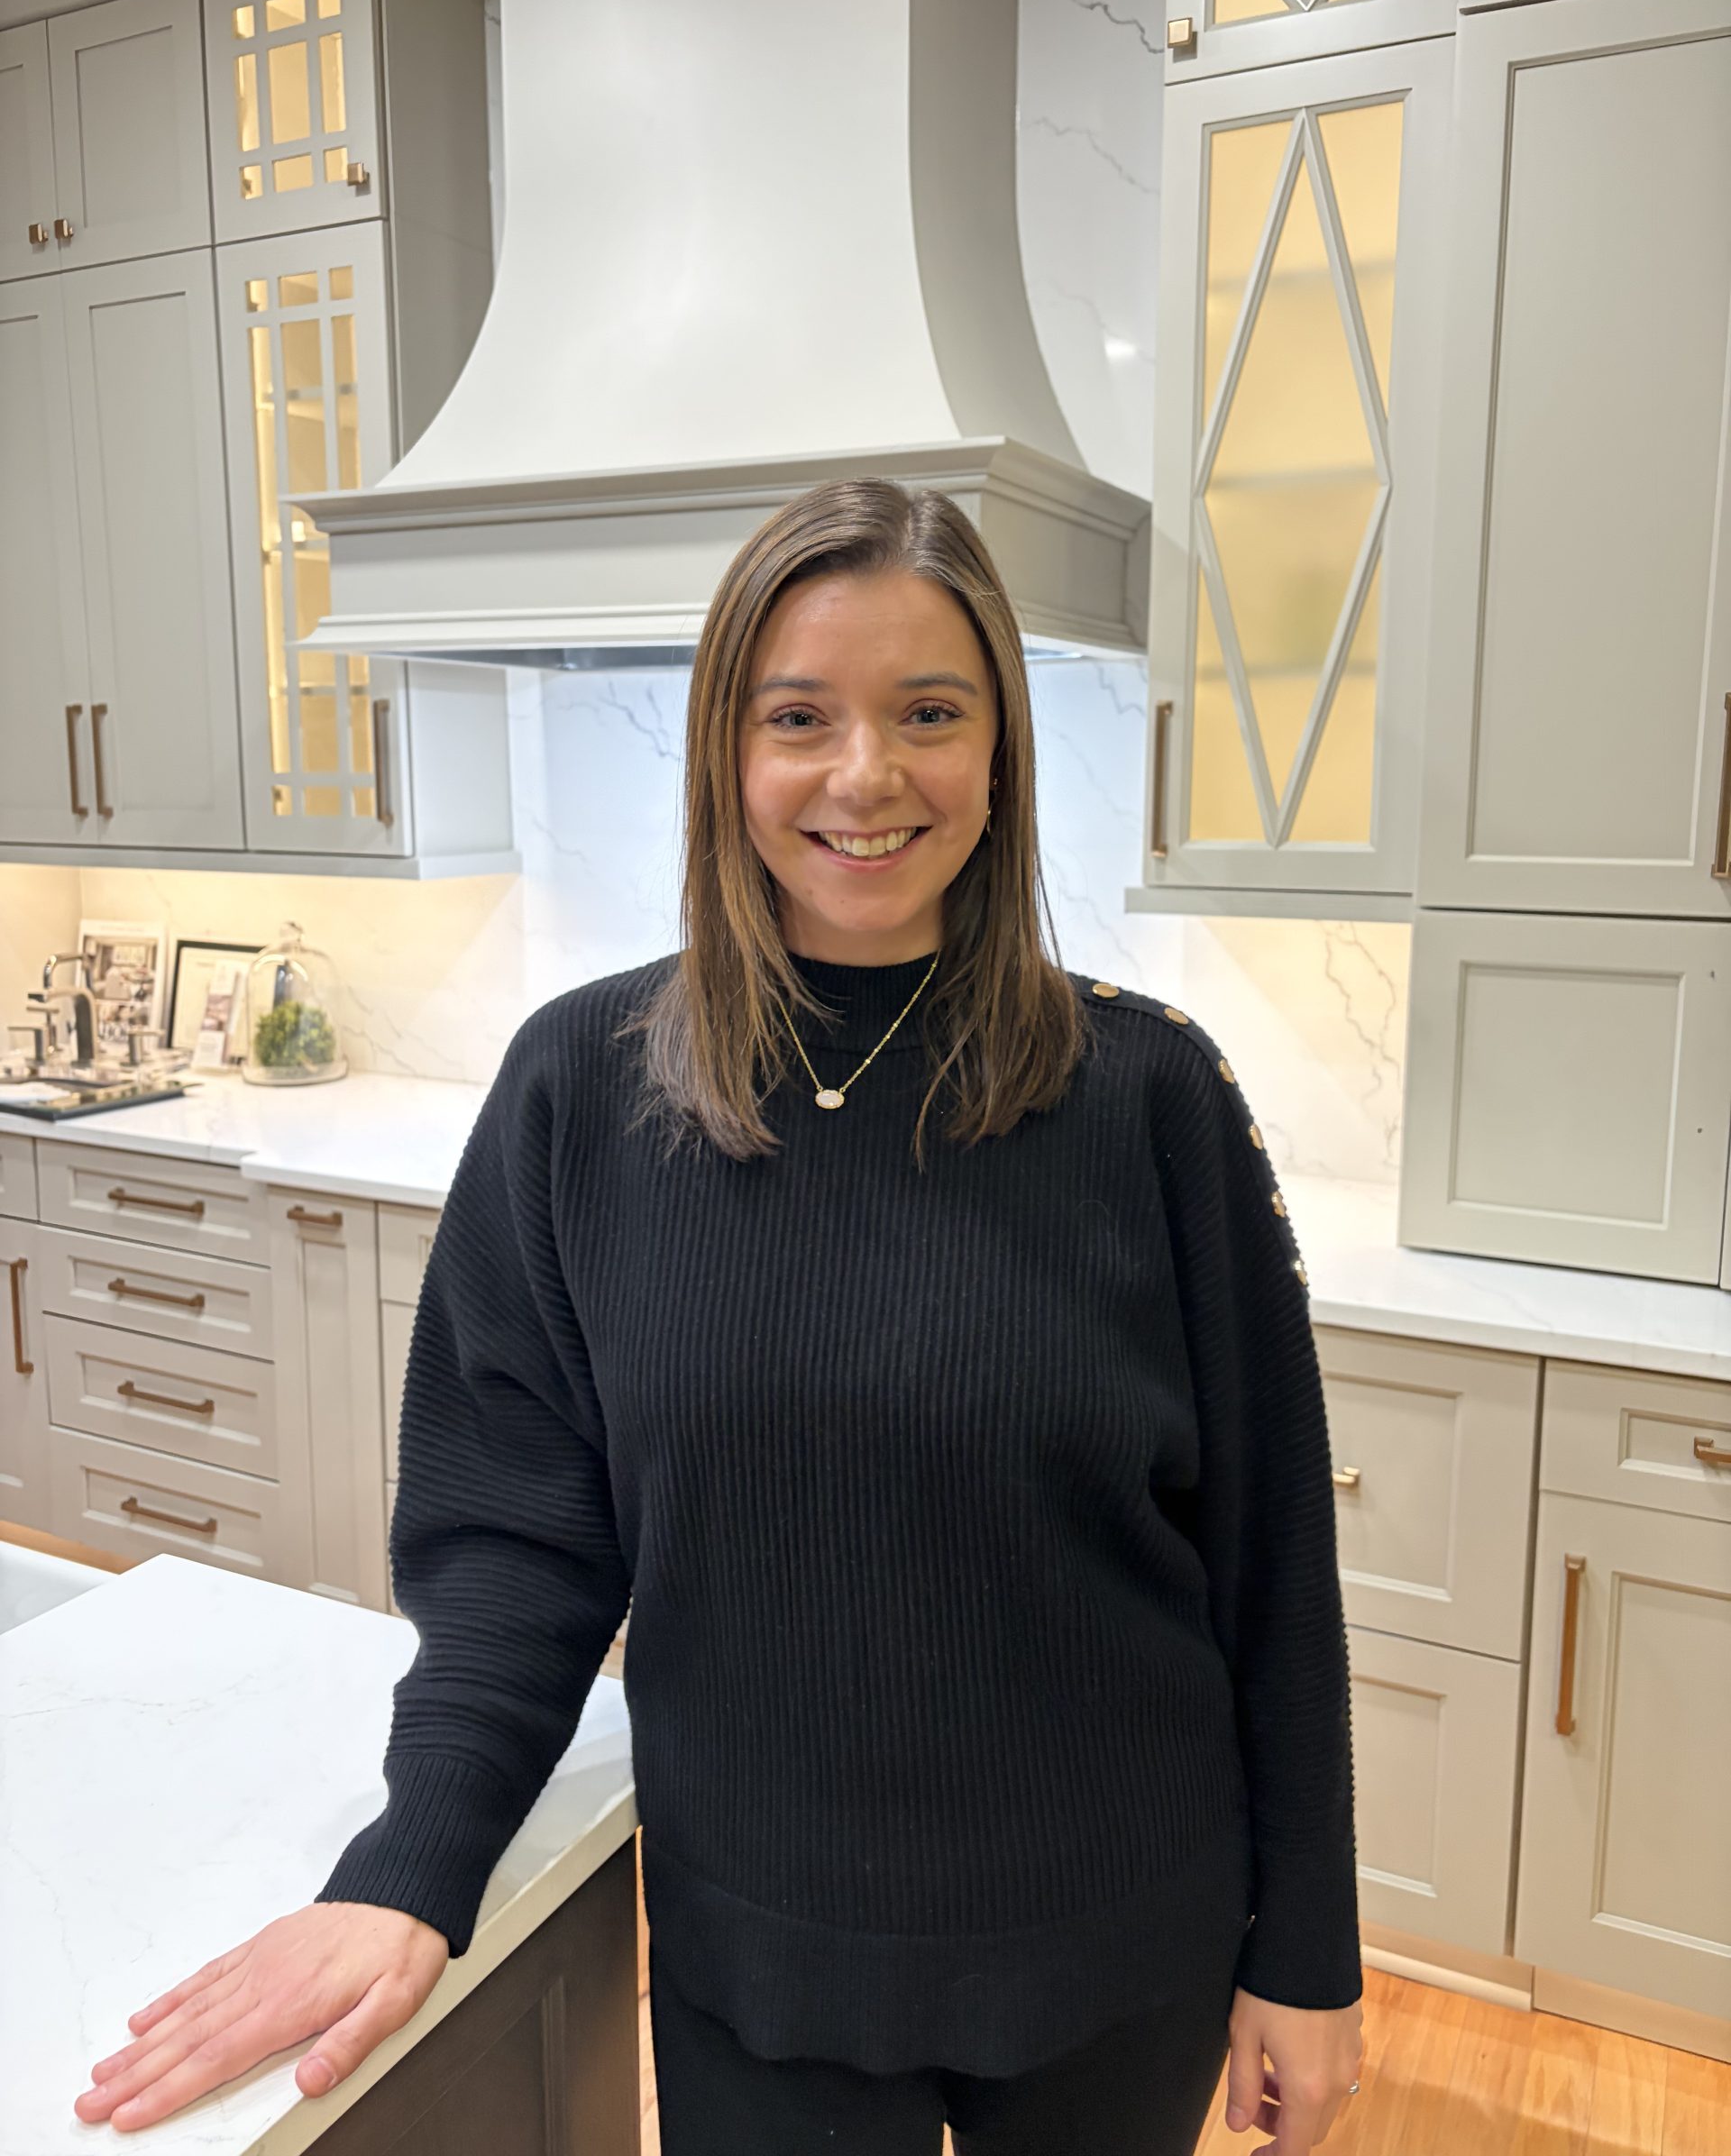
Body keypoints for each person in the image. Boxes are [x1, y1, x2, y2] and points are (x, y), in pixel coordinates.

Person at [74, 480, 1365, 2152]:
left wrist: (1307, 1957)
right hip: (759, 1950)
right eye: (799, 717)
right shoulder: (580, 1088)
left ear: (1001, 751)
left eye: (930, 713)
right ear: (723, 756)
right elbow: (517, 1545)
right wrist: (413, 1863)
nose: (865, 775)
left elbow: (1272, 1566)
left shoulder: (1149, 1092)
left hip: (1122, 1945)